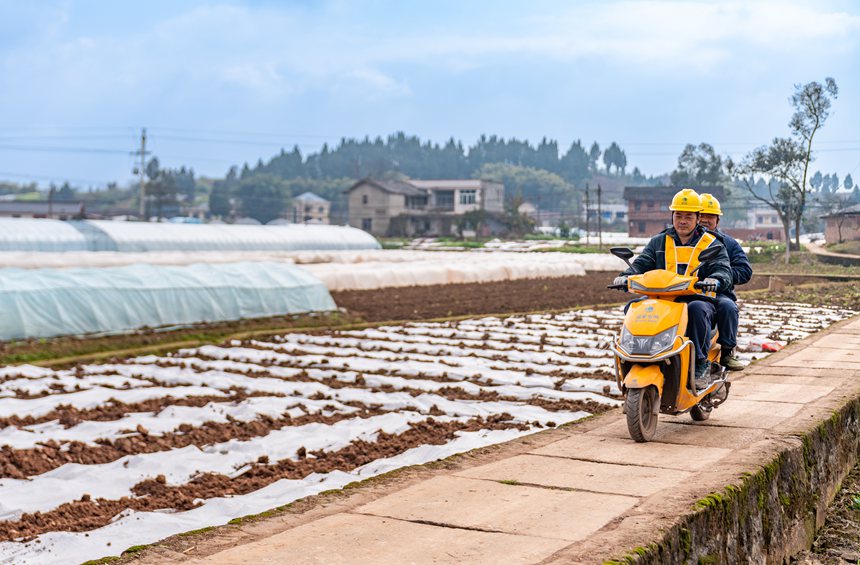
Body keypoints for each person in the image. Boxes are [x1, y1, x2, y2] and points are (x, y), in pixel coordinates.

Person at [614, 188, 733, 388]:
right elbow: (642, 263)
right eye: (678, 215)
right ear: (672, 216)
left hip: (698, 298)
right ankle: (635, 355)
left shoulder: (712, 244)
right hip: (663, 299)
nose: (683, 221)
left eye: (688, 216)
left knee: (696, 310)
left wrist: (715, 279)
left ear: (697, 217)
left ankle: (700, 364)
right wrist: (625, 277)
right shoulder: (658, 241)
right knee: (634, 307)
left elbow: (724, 269)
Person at [698, 193, 753, 371]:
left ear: (717, 219)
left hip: (717, 292)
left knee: (728, 307)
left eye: (709, 216)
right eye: (701, 215)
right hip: (683, 290)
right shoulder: (677, 240)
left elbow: (745, 271)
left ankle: (727, 352)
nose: (704, 220)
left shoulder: (727, 243)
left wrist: (722, 278)